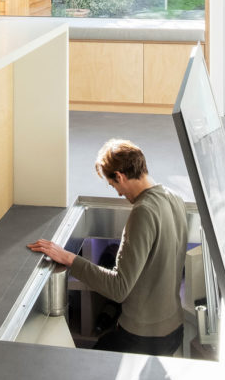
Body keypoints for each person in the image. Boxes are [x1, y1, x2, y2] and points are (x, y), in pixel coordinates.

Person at [27, 138, 188, 356]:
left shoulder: (143, 211)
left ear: (119, 176)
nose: (119, 194)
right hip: (174, 330)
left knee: (87, 364)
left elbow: (118, 288)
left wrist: (69, 258)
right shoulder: (174, 198)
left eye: (114, 186)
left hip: (142, 338)